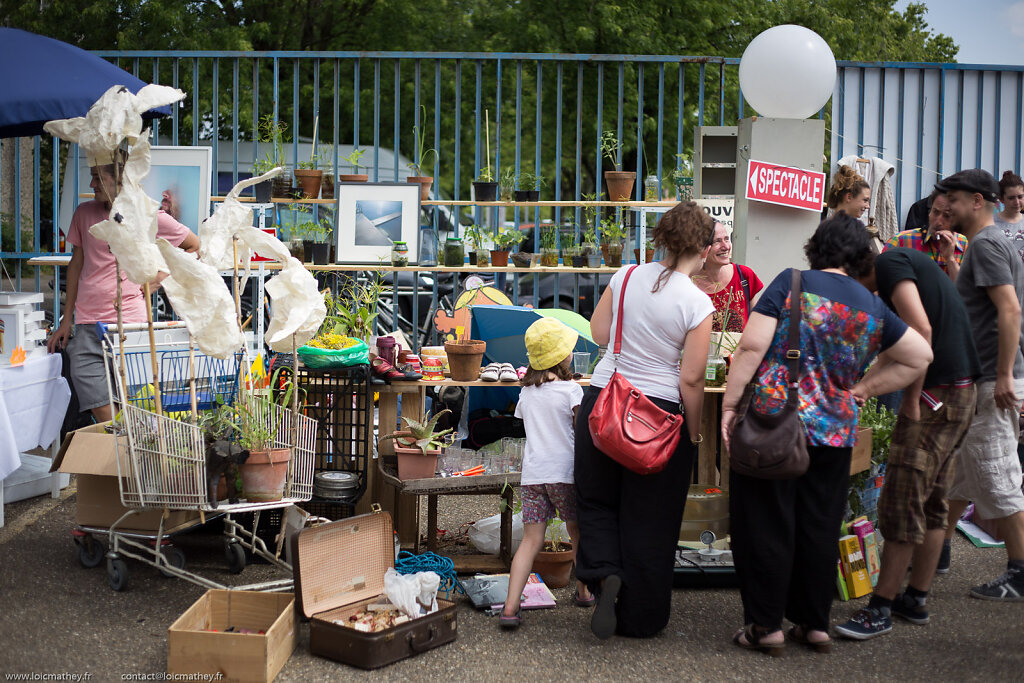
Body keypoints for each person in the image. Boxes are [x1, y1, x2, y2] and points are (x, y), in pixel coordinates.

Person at [721, 214, 931, 656]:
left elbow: (752, 346)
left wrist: (728, 406)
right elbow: (920, 354)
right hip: (835, 433)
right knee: (818, 526)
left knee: (764, 524)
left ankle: (766, 627)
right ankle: (814, 624)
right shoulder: (872, 305)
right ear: (860, 256)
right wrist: (863, 389)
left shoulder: (791, 284)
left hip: (774, 426)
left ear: (818, 246)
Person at [574, 201, 714, 639]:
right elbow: (691, 379)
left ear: (661, 239)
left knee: (596, 501)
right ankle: (641, 617)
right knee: (651, 516)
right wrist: (692, 434)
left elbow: (598, 334)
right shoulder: (697, 303)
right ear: (705, 250)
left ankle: (604, 573)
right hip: (657, 417)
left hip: (604, 401)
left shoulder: (626, 276)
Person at [834, 247, 979, 640]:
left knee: (901, 498)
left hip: (934, 398)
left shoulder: (890, 264)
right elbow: (897, 348)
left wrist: (911, 400)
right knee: (933, 500)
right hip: (959, 392)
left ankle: (879, 609)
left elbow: (922, 334)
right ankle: (914, 599)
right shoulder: (906, 266)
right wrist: (864, 379)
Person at [47, 156, 199, 422]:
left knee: (133, 402)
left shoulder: (147, 214)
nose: (92, 183)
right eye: (92, 175)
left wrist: (156, 280)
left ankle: (130, 456)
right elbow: (76, 263)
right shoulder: (84, 213)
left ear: (119, 180)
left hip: (129, 326)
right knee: (99, 404)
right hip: (86, 326)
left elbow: (194, 247)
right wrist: (66, 319)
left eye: (98, 177)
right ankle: (126, 450)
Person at [937, 169, 1024, 600]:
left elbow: (1009, 311)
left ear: (976, 200)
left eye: (951, 199)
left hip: (992, 379)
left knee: (996, 473)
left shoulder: (988, 244)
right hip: (984, 377)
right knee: (960, 472)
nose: (945, 207)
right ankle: (939, 550)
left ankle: (1019, 572)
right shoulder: (985, 246)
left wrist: (1006, 375)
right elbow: (975, 307)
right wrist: (954, 266)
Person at [499, 318, 592, 629]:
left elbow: (528, 423)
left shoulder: (526, 394)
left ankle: (510, 608)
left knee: (530, 541)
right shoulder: (571, 390)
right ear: (562, 356)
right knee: (576, 532)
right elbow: (580, 433)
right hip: (564, 473)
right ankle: (583, 591)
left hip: (533, 475)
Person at [691, 222, 763, 332]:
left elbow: (758, 324)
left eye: (727, 239)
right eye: (717, 241)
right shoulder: (688, 284)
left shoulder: (743, 275)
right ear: (702, 247)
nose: (726, 246)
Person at [885, 190, 967, 280]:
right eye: (935, 212)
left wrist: (950, 259)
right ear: (929, 212)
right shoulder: (900, 241)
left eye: (947, 216)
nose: (938, 221)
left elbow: (965, 290)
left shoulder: (964, 244)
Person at [994, 170, 1024, 261]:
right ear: (1001, 199)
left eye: (1020, 197)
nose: (1017, 202)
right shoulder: (990, 223)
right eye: (1011, 198)